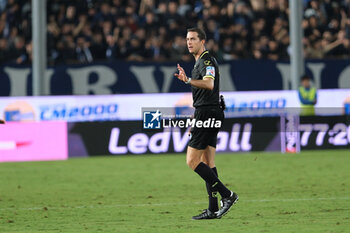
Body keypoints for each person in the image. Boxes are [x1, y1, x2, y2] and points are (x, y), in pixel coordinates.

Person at [174, 28, 238, 220]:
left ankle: (227, 195)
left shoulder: (207, 60)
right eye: (187, 39)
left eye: (193, 39)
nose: (189, 42)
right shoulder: (200, 62)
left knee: (192, 161)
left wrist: (188, 80)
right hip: (208, 111)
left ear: (203, 41)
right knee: (207, 162)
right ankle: (212, 209)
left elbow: (209, 84)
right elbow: (205, 94)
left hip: (208, 113)